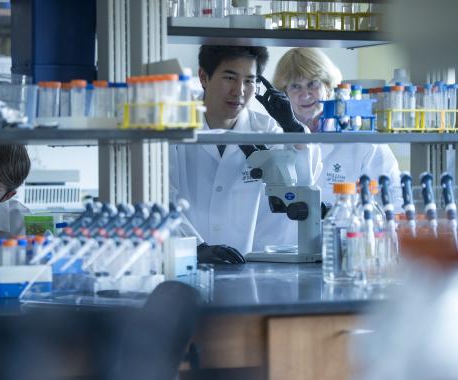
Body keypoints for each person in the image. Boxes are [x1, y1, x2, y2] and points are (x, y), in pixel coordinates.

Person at [170, 45, 322, 264]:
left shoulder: (267, 130)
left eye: (249, 81)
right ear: (204, 77)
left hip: (247, 268)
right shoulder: (173, 129)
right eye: (230, 78)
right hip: (184, 264)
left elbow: (302, 186)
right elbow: (159, 198)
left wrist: (293, 129)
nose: (239, 90)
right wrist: (195, 247)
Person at [272, 48, 401, 204]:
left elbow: (395, 201)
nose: (305, 95)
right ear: (284, 92)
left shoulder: (365, 143)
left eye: (313, 84)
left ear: (328, 88)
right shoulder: (272, 138)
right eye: (295, 86)